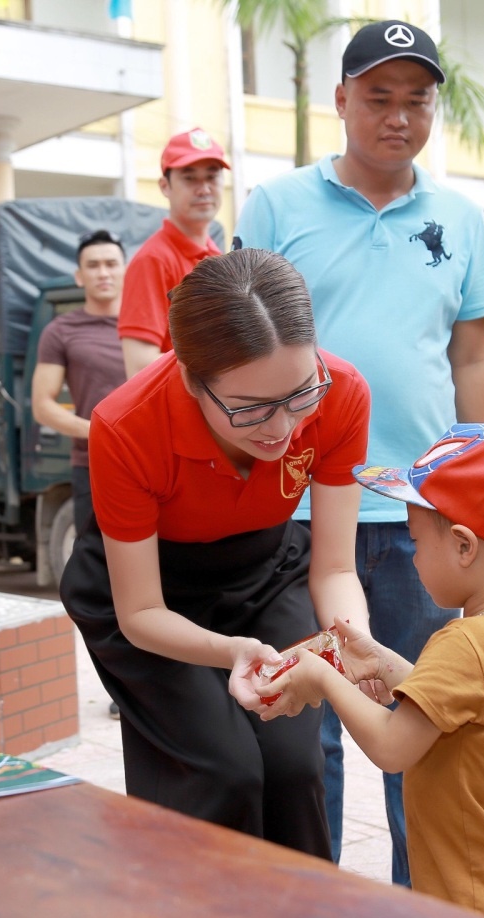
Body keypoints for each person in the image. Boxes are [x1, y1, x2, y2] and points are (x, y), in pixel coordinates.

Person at [233, 19, 484, 885]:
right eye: (378, 98)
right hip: (302, 513)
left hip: (424, 519)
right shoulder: (277, 207)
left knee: (419, 723)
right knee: (310, 735)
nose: (397, 117)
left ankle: (419, 899)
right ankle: (311, 896)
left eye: (416, 100)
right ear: (341, 100)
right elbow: (239, 347)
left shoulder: (461, 218)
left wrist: (483, 482)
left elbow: (470, 357)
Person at [58, 248, 372, 858]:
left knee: (293, 766)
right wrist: (229, 651)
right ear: (189, 380)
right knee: (221, 770)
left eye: (299, 396)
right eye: (251, 408)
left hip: (261, 572)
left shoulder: (341, 393)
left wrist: (349, 639)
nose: (282, 428)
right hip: (152, 596)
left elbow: (334, 567)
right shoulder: (128, 425)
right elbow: (141, 612)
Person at [259, 422, 484, 917]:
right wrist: (386, 662)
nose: (415, 556)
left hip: (472, 894)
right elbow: (468, 712)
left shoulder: (463, 642)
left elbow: (392, 747)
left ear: (465, 546)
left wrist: (324, 678)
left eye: (417, 539)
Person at [31, 229, 127, 538]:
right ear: (79, 276)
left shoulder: (150, 325)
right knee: (96, 561)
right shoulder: (60, 331)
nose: (103, 273)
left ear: (125, 269)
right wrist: (97, 433)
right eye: (93, 265)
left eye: (111, 264)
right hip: (93, 464)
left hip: (155, 462)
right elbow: (43, 406)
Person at [117, 128, 229, 378]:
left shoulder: (217, 256)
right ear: (164, 186)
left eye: (212, 177)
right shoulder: (153, 260)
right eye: (190, 178)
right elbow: (138, 366)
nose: (204, 189)